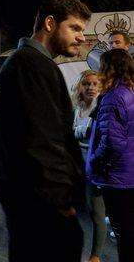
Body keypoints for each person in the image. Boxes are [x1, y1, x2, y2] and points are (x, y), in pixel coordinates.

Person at [0, 0, 92, 262]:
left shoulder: (30, 63)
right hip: (41, 212)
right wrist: (62, 205)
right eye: (75, 28)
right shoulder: (31, 65)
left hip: (33, 206)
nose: (82, 37)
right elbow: (43, 144)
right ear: (50, 23)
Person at [87, 49, 134, 262]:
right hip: (127, 174)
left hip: (116, 177)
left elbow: (112, 143)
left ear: (110, 68)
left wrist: (94, 163)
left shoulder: (113, 97)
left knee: (124, 234)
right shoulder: (129, 92)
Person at [71, 70, 106, 262]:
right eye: (86, 84)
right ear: (80, 86)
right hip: (77, 167)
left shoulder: (102, 108)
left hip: (96, 168)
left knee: (97, 213)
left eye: (95, 84)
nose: (91, 87)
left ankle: (95, 256)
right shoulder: (76, 108)